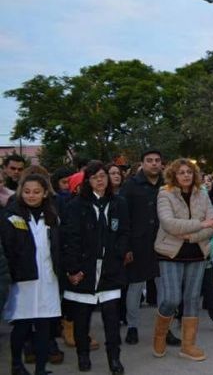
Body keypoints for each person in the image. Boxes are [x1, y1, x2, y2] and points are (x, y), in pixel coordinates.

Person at [61, 161, 129, 374]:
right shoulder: (75, 206)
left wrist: (117, 256)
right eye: (94, 177)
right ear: (87, 181)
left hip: (110, 270)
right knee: (82, 318)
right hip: (84, 270)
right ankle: (83, 355)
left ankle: (114, 358)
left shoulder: (118, 202)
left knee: (111, 317)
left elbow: (124, 233)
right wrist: (73, 269)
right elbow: (69, 239)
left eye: (103, 175)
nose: (100, 180)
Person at [154, 158, 213, 361]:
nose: (186, 175)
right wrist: (200, 224)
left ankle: (188, 345)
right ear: (174, 174)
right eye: (181, 172)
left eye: (189, 172)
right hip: (171, 253)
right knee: (172, 298)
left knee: (191, 299)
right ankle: (160, 335)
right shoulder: (165, 194)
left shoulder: (202, 194)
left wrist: (191, 234)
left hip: (197, 252)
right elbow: (169, 224)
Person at [1, 173, 62, 375]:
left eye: (36, 192)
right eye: (27, 191)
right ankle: (16, 366)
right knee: (22, 325)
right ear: (20, 192)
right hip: (23, 281)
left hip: (48, 279)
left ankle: (40, 369)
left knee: (45, 326)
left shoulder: (52, 216)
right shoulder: (10, 215)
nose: (31, 196)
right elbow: (8, 249)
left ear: (45, 193)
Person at [119, 150, 168, 346]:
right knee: (135, 288)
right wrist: (126, 247)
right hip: (138, 244)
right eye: (150, 161)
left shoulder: (168, 185)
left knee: (165, 288)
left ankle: (166, 328)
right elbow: (124, 218)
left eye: (157, 160)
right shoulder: (130, 186)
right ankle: (132, 327)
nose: (154, 164)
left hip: (164, 244)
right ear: (142, 163)